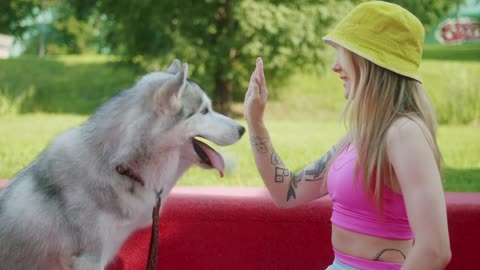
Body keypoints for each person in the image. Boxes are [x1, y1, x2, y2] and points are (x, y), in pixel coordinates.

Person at [243, 1, 451, 270]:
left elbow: (434, 250)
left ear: (369, 60)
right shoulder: (360, 136)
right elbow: (287, 192)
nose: (335, 67)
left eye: (343, 53)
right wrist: (256, 122)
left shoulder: (405, 134)